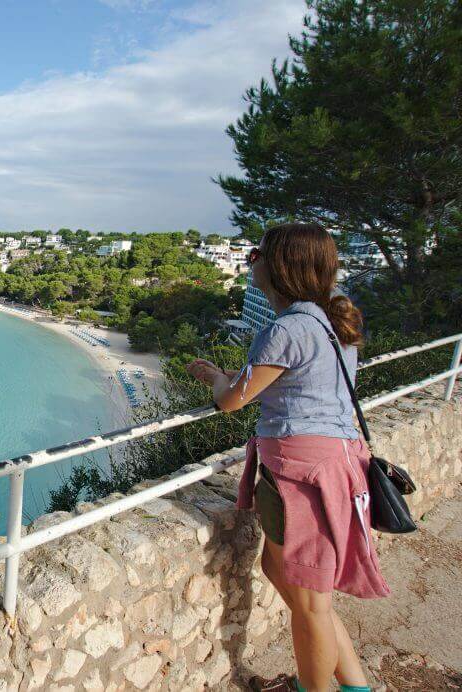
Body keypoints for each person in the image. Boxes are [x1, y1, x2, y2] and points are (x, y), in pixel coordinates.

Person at [186, 222, 387, 692]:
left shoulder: (286, 328)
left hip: (303, 474)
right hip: (330, 463)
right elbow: (291, 383)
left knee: (311, 601)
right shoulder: (329, 322)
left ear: (279, 266)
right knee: (284, 575)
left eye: (258, 254)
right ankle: (355, 686)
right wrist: (232, 376)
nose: (251, 260)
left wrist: (215, 378)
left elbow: (232, 400)